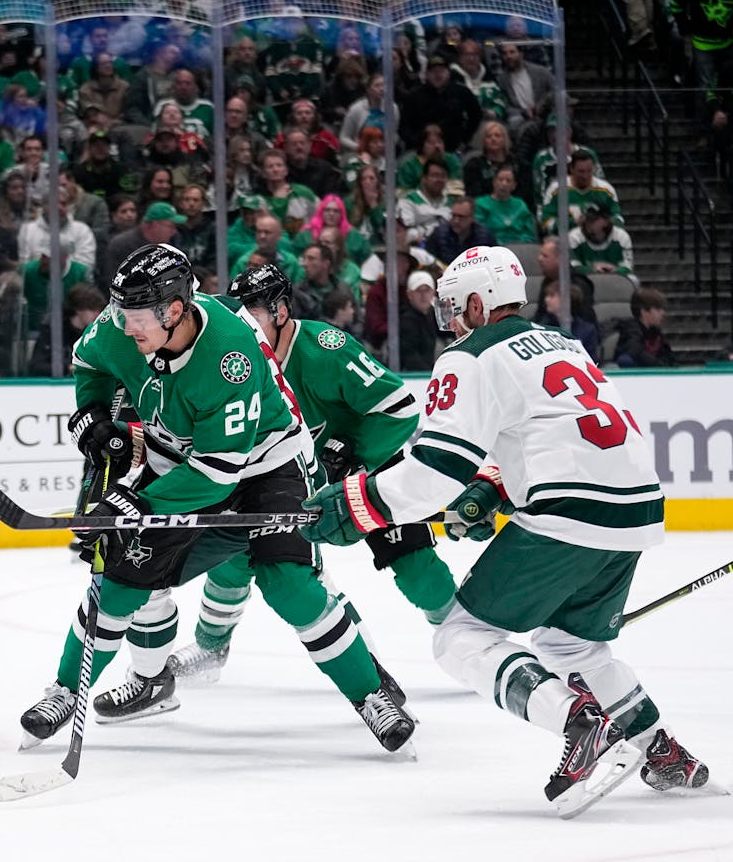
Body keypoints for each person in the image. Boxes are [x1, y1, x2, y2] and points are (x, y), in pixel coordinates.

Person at [299, 244, 711, 815]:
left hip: (571, 512)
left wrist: (355, 505)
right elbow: (556, 430)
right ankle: (661, 750)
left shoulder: (472, 355)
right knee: (571, 643)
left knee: (460, 637)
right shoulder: (562, 344)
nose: (449, 320)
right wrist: (493, 485)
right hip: (636, 510)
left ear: (476, 301)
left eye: (453, 306)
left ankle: (579, 722)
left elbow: (433, 472)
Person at [16, 245, 415, 751]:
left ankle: (370, 696)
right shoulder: (121, 326)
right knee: (119, 581)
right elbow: (87, 362)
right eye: (121, 312)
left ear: (175, 309)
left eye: (137, 316)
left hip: (270, 468)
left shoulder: (230, 354)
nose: (124, 325)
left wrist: (136, 503)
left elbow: (217, 475)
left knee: (289, 582)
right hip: (179, 465)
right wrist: (92, 413)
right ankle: (66, 692)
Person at [165, 265, 458, 696]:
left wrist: (353, 451)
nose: (242, 325)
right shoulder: (235, 359)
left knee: (417, 570)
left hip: (368, 471)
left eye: (253, 315)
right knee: (236, 555)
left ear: (281, 311)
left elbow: (398, 409)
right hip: (294, 477)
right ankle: (212, 647)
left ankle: (470, 639)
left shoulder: (326, 347)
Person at [614, 286, 677, 367]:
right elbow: (634, 351)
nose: (662, 313)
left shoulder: (656, 332)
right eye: (658, 309)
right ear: (644, 311)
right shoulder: (631, 330)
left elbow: (670, 359)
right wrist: (658, 366)